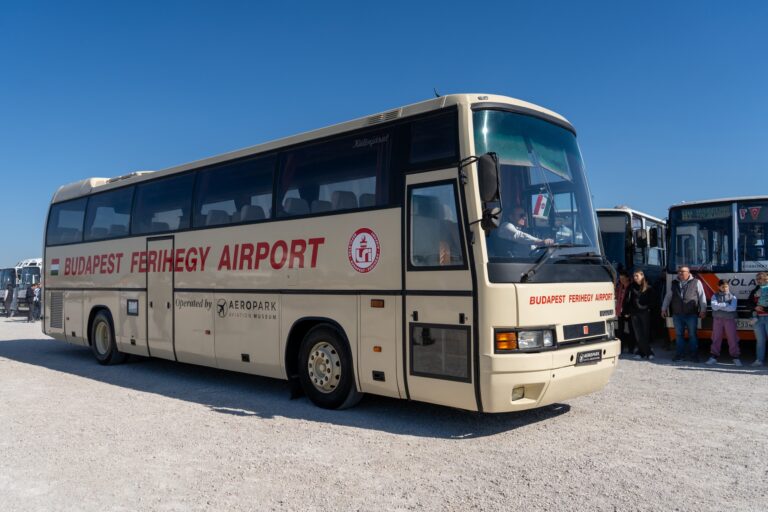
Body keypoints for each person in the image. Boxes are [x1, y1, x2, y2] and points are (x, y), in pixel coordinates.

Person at [661, 266, 707, 362]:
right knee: (679, 335)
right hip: (677, 314)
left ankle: (694, 356)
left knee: (692, 335)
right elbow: (668, 297)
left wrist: (703, 310)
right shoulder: (674, 283)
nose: (680, 273)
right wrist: (663, 308)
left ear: (688, 272)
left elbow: (702, 296)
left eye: (682, 271)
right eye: (679, 272)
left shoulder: (696, 282)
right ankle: (679, 355)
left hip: (691, 314)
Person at [706, 279, 741, 366]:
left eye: (726, 286)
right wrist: (726, 305)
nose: (725, 288)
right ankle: (714, 356)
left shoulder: (733, 296)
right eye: (723, 287)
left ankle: (735, 356)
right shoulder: (714, 296)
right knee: (716, 337)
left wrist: (720, 305)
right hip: (717, 320)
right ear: (718, 287)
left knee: (732, 338)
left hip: (730, 319)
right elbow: (714, 307)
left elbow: (732, 308)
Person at [626, 270, 656, 360]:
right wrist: (627, 311)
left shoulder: (648, 287)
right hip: (634, 313)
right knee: (638, 334)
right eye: (634, 276)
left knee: (645, 333)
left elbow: (653, 301)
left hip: (645, 313)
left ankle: (643, 352)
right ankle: (646, 352)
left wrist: (647, 308)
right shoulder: (631, 286)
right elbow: (628, 299)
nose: (635, 278)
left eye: (637, 276)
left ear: (642, 276)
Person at [747, 271, 768, 367]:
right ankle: (759, 360)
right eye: (757, 279)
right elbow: (748, 303)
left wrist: (764, 308)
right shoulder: (755, 290)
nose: (758, 280)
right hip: (757, 319)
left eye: (760, 278)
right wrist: (755, 307)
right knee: (760, 341)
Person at [615, 270, 635, 354]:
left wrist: (629, 312)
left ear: (627, 278)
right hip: (620, 310)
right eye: (620, 278)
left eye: (623, 278)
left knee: (631, 330)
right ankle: (621, 348)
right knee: (620, 330)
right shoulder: (619, 286)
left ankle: (631, 348)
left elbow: (633, 301)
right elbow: (617, 297)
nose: (621, 280)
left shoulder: (632, 286)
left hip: (629, 311)